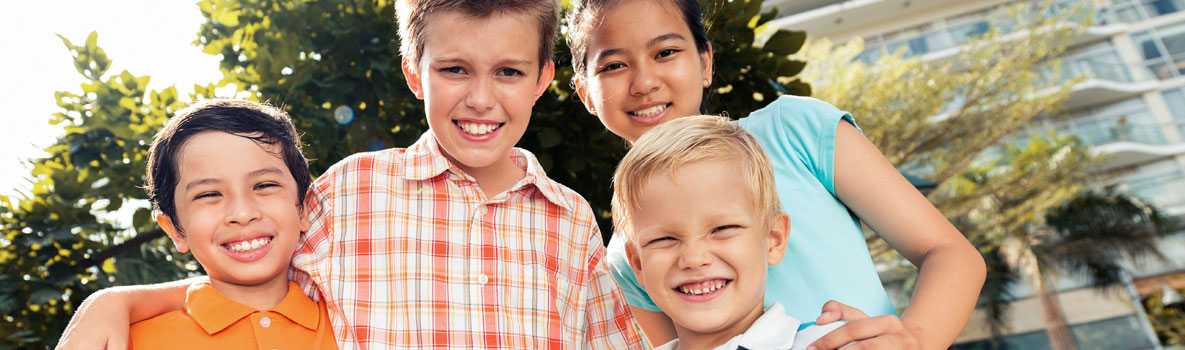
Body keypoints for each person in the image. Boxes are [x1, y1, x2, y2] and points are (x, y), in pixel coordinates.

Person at [57, 1, 644, 348]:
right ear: (416, 75)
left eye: (509, 73)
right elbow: (249, 265)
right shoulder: (350, 190)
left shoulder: (570, 218)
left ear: (543, 78)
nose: (482, 99)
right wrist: (117, 301)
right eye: (455, 70)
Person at [565, 0, 987, 348]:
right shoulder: (627, 255)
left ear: (705, 61)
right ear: (584, 92)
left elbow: (949, 253)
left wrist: (913, 340)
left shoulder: (794, 131)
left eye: (666, 52)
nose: (644, 82)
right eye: (614, 66)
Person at [613, 115, 845, 350]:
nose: (694, 259)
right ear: (638, 264)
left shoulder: (836, 344)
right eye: (664, 239)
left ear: (774, 239)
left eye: (722, 229)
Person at [128, 99, 335, 349]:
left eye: (264, 185)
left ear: (302, 208)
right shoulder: (130, 341)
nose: (243, 212)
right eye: (209, 195)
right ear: (175, 230)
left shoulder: (350, 325)